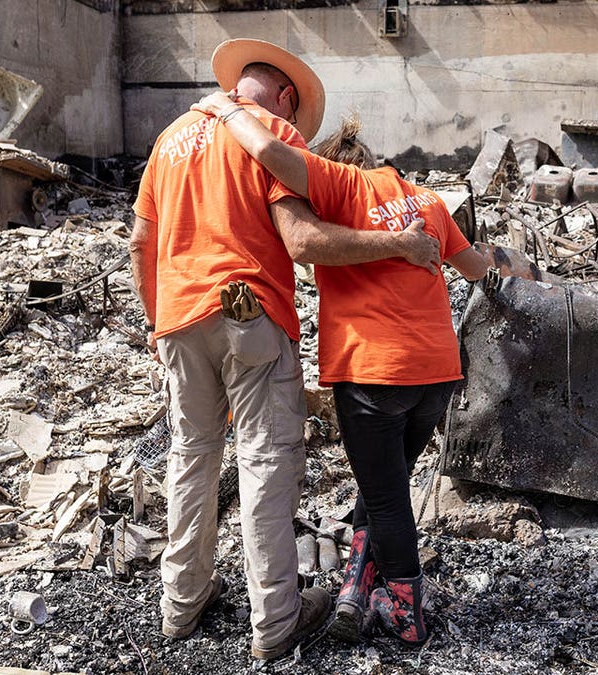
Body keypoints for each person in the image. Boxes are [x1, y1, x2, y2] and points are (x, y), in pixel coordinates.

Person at [129, 39, 441, 662]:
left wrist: (158, 322)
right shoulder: (269, 134)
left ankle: (180, 605)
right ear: (286, 97)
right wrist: (398, 246)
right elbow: (301, 240)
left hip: (178, 318)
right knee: (264, 462)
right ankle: (275, 619)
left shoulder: (169, 140)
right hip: (250, 315)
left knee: (191, 456)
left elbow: (141, 242)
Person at [196, 91, 489, 646]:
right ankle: (359, 578)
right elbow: (475, 268)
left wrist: (229, 111)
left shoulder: (341, 185)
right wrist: (516, 272)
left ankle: (405, 608)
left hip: (373, 372)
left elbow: (270, 154)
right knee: (387, 479)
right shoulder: (428, 200)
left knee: (385, 495)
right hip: (436, 375)